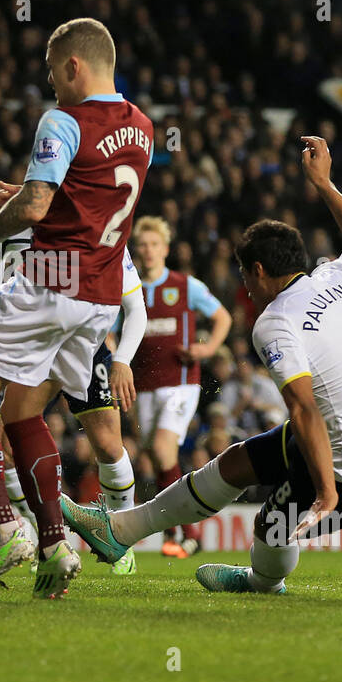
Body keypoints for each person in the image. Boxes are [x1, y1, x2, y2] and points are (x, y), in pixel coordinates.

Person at [62, 135, 342, 595]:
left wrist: (326, 490)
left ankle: (264, 583)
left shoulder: (276, 322)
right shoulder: (340, 274)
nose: (244, 286)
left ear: (260, 271)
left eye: (246, 275)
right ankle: (119, 531)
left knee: (270, 528)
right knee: (236, 463)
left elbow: (304, 409)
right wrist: (324, 185)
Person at [0, 17, 151, 599]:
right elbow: (89, 196)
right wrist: (41, 199)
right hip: (100, 300)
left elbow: (37, 208)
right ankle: (57, 545)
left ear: (74, 66)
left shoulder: (63, 119)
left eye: (52, 70)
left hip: (52, 281)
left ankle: (6, 530)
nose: (51, 83)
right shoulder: (143, 127)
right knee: (23, 415)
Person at [0, 193, 148, 575]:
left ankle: (121, 537)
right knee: (7, 446)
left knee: (107, 444)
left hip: (86, 345)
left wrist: (122, 360)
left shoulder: (101, 230)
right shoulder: (7, 233)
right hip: (28, 347)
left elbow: (135, 307)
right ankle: (50, 538)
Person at [128, 214, 232, 557]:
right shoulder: (127, 288)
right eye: (142, 244)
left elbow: (222, 317)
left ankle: (188, 532)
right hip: (141, 385)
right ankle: (179, 533)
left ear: (166, 248)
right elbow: (113, 332)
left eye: (154, 244)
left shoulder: (184, 285)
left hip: (180, 381)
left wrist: (208, 348)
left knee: (161, 450)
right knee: (156, 461)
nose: (148, 250)